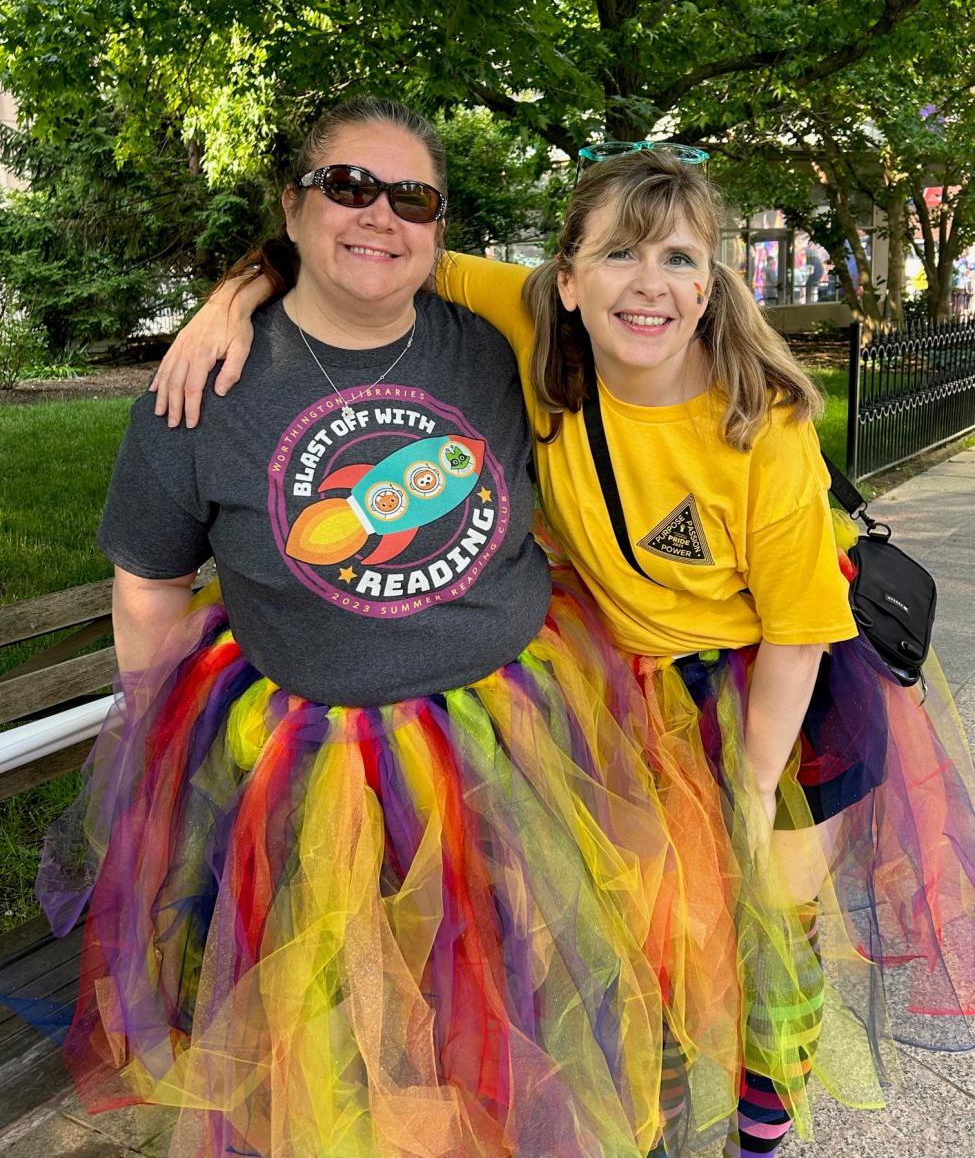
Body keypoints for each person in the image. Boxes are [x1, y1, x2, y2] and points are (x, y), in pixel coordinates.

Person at [158, 141, 975, 1157]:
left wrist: (752, 794)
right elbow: (379, 248)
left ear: (712, 285)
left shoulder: (760, 426)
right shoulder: (539, 326)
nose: (650, 285)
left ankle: (760, 1132)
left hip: (784, 692)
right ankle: (663, 1090)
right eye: (622, 255)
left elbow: (802, 631)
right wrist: (227, 302)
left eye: (681, 260)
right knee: (658, 916)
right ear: (569, 276)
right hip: (632, 679)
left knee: (767, 921)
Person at [38, 102, 751, 1158]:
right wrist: (156, 762)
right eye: (347, 187)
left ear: (440, 226)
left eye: (410, 197)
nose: (379, 216)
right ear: (293, 206)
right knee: (334, 1040)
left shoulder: (504, 342)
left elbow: (651, 341)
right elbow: (149, 584)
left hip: (513, 752)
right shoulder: (210, 385)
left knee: (520, 1005)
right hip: (304, 772)